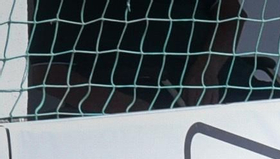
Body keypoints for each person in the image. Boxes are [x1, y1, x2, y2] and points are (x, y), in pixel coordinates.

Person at [28, 1, 244, 117]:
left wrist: (206, 69)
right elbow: (46, 72)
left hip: (211, 87)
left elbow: (232, 14)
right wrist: (133, 110)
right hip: (122, 106)